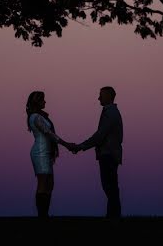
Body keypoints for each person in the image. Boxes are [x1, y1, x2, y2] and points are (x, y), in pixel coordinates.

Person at [69, 86, 123, 218]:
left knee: (110, 187)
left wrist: (81, 146)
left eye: (101, 95)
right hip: (110, 154)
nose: (98, 98)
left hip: (108, 154)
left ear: (109, 96)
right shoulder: (110, 112)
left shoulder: (110, 113)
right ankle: (113, 216)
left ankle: (113, 217)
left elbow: (99, 136)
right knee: (110, 188)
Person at [26, 90, 72, 218]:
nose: (45, 102)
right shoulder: (35, 117)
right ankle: (42, 215)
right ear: (37, 102)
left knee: (50, 183)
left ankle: (45, 213)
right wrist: (66, 144)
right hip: (40, 152)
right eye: (43, 100)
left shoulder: (41, 116)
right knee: (43, 183)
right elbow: (48, 133)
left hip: (46, 152)